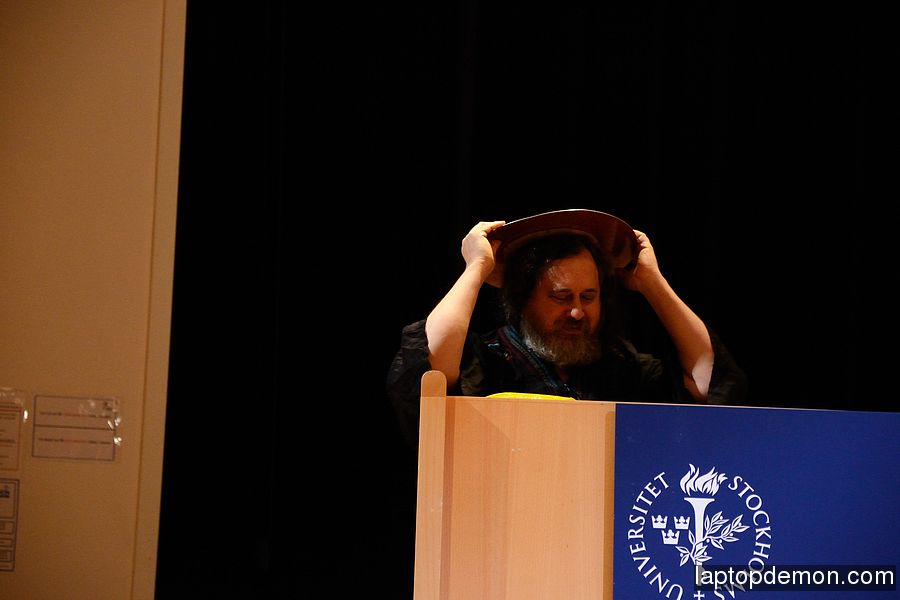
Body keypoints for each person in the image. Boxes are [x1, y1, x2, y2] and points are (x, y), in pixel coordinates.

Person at [387, 209, 747, 446]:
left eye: (588, 297)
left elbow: (708, 382)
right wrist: (477, 268)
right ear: (522, 300)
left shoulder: (622, 367)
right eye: (561, 297)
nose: (577, 312)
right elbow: (428, 370)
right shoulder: (488, 361)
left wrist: (652, 282)